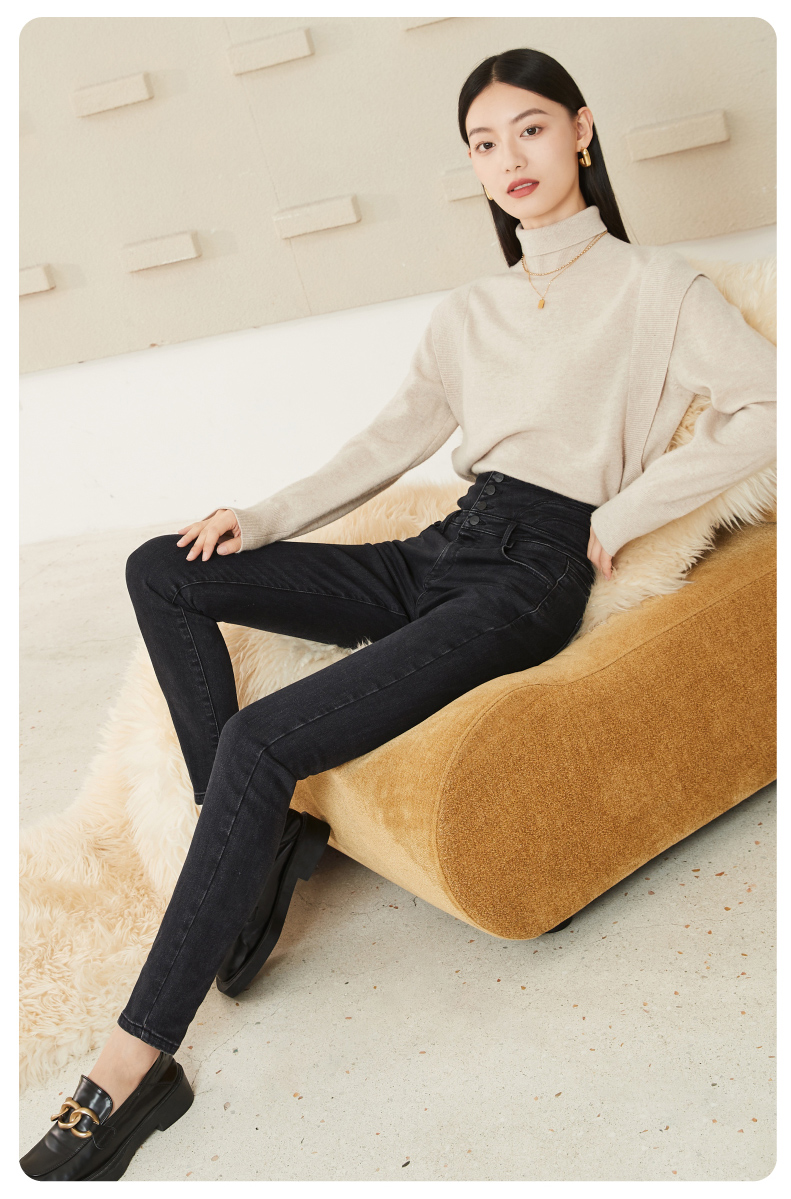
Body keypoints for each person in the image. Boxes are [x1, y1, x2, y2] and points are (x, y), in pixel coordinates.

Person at [21, 46, 776, 1181]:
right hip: (442, 547)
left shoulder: (654, 290)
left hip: (528, 573)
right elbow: (384, 442)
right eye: (483, 143)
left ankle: (134, 1063)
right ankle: (256, 845)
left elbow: (766, 405)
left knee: (260, 739)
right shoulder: (470, 310)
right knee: (160, 569)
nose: (508, 158)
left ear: (580, 131)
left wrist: (619, 514)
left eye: (529, 129)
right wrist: (260, 516)